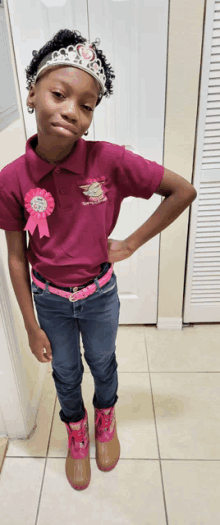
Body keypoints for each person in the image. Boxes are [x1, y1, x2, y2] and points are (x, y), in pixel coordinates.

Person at [0, 29, 197, 492]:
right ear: (31, 95)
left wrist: (129, 243)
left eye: (87, 105)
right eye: (59, 94)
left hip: (99, 296)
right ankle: (76, 429)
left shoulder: (107, 162)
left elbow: (182, 190)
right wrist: (31, 324)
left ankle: (104, 418)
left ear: (91, 118)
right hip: (48, 301)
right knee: (65, 370)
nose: (71, 110)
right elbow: (15, 257)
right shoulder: (10, 180)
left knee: (103, 362)